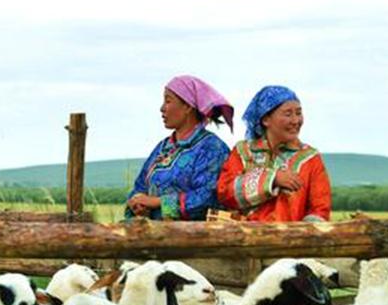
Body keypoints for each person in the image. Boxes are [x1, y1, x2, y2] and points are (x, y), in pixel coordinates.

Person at [125, 75, 233, 221]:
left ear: (188, 106)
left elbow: (207, 199)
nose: (162, 108)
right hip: (152, 235)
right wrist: (137, 205)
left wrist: (158, 202)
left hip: (194, 238)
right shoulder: (163, 147)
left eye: (168, 101)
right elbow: (140, 186)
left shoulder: (212, 148)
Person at [216, 85, 331, 222]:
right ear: (266, 120)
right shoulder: (243, 152)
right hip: (243, 238)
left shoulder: (310, 159)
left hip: (289, 240)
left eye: (298, 113)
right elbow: (225, 193)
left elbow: (320, 209)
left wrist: (301, 235)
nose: (295, 121)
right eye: (288, 114)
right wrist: (271, 179)